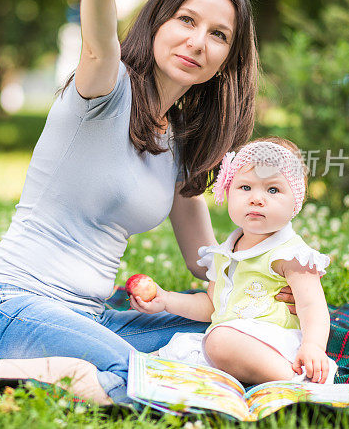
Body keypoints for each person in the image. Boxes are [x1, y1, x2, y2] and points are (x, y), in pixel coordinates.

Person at [0, 0, 293, 404]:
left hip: (89, 317)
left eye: (218, 35)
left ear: (228, 58)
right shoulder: (107, 89)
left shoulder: (180, 144)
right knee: (140, 376)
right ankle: (34, 374)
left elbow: (205, 262)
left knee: (223, 346)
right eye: (187, 20)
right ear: (158, 20)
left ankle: (73, 372)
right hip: (13, 303)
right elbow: (97, 45)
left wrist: (270, 277)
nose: (197, 42)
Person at [137, 137, 336, 385]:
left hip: (274, 345)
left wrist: (313, 346)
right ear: (227, 191)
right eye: (245, 187)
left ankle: (293, 378)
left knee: (219, 341)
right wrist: (166, 300)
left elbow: (312, 307)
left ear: (296, 201)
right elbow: (212, 305)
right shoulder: (225, 253)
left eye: (273, 190)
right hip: (230, 338)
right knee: (175, 352)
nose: (256, 198)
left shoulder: (292, 254)